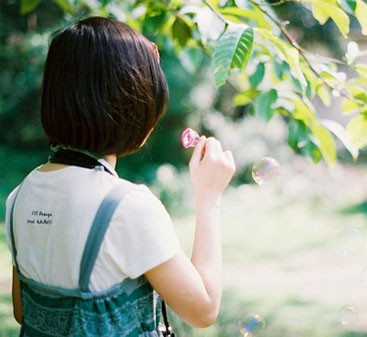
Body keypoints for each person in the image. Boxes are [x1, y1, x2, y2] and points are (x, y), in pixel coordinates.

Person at [5, 16, 235, 336]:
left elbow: (23, 310)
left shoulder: (19, 197)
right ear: (133, 108)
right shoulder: (128, 208)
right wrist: (209, 198)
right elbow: (204, 309)